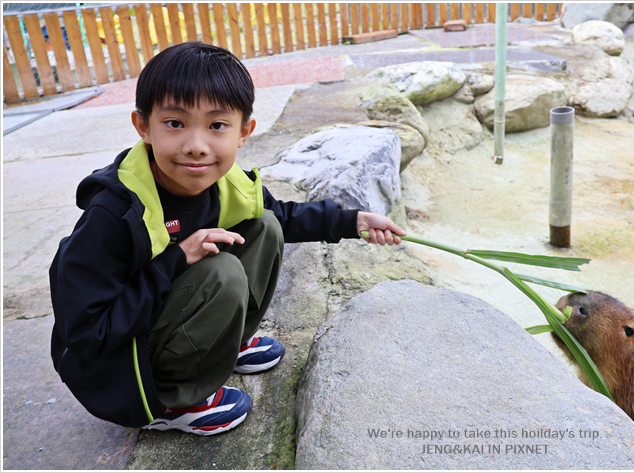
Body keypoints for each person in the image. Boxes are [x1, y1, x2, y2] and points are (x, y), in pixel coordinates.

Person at [49, 41, 405, 436]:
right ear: (143, 126)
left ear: (243, 132)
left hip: (160, 317)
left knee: (264, 225)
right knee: (221, 273)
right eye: (175, 123)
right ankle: (175, 398)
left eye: (217, 125)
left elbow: (282, 216)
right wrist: (177, 259)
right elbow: (86, 332)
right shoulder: (114, 215)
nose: (197, 146)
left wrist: (350, 221)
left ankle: (223, 344)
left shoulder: (222, 181)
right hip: (121, 367)